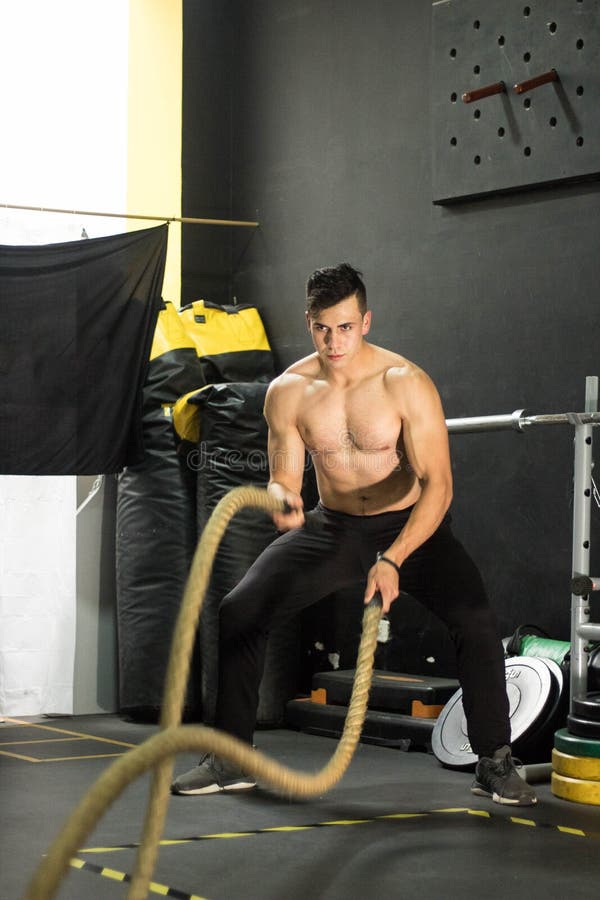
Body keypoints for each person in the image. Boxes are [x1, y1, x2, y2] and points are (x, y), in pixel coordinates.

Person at [171, 263, 536, 806]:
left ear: (365, 322)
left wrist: (394, 557)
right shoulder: (288, 391)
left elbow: (439, 486)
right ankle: (229, 758)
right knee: (240, 611)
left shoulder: (404, 383)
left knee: (476, 622)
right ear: (309, 323)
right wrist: (282, 497)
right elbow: (284, 475)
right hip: (334, 527)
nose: (333, 341)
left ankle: (494, 761)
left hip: (411, 528)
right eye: (322, 328)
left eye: (344, 327)